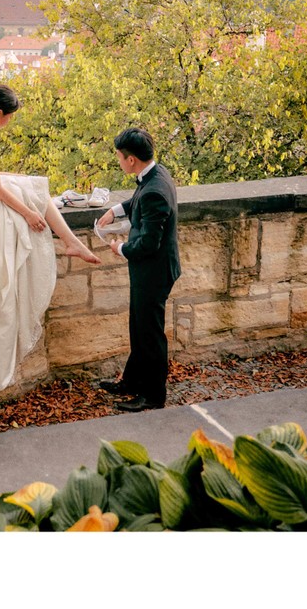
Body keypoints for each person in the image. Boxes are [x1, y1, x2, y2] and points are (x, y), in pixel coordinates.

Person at [0, 84, 100, 388]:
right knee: (33, 198)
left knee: (34, 187)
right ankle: (71, 241)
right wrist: (29, 215)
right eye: (9, 117)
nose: (9, 123)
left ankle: (71, 241)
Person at [95, 127, 181, 411]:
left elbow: (148, 244)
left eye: (119, 157)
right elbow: (138, 198)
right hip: (149, 271)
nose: (118, 161)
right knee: (139, 326)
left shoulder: (155, 190)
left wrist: (119, 248)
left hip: (154, 272)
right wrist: (115, 210)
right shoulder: (156, 174)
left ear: (131, 160)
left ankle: (154, 395)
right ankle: (131, 382)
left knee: (150, 334)